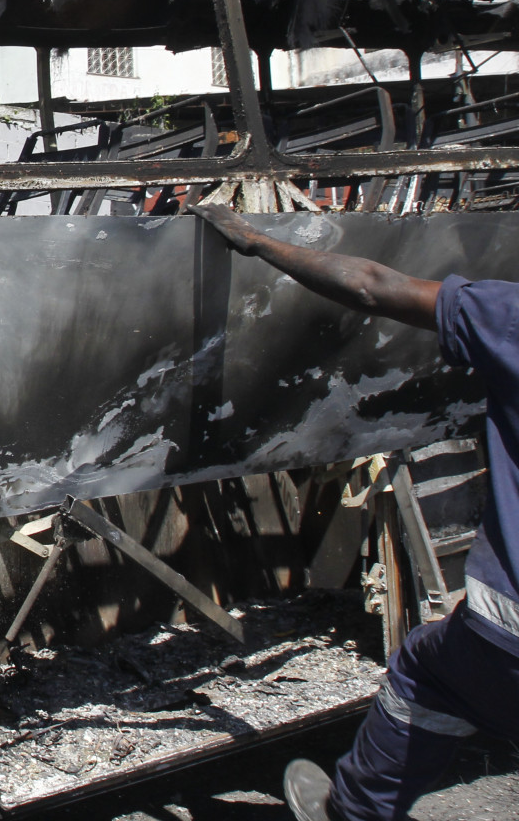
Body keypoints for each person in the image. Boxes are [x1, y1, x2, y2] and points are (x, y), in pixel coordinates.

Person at [195, 203, 519, 821]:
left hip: (510, 631)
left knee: (427, 674)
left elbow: (375, 286)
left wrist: (259, 242)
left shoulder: (509, 314)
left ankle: (356, 811)